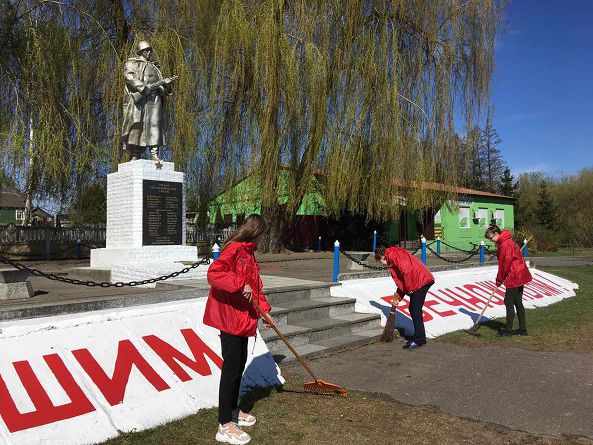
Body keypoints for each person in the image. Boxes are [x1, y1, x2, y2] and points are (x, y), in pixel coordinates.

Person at [203, 214, 274, 445]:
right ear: (255, 231)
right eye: (262, 234)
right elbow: (214, 274)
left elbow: (255, 288)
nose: (263, 239)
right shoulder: (234, 249)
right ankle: (225, 424)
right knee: (231, 369)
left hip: (243, 318)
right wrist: (238, 283)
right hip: (230, 318)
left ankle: (233, 411)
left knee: (238, 365)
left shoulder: (249, 254)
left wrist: (265, 311)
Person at [122, 40, 176, 161]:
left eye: (150, 50)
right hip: (140, 98)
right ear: (140, 51)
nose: (148, 53)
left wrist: (166, 85)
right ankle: (135, 154)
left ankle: (154, 153)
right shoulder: (132, 63)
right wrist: (142, 87)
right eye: (146, 50)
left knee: (155, 124)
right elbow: (129, 76)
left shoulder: (155, 67)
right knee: (137, 124)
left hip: (155, 98)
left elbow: (161, 85)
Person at [375, 245, 435, 350]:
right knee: (414, 309)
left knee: (414, 309)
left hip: (420, 281)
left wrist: (410, 289)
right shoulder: (392, 257)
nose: (383, 264)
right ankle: (420, 337)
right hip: (419, 280)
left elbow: (406, 271)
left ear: (382, 257)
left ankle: (419, 339)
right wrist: (398, 297)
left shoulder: (394, 255)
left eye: (381, 262)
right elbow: (402, 280)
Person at [485, 225, 532, 336]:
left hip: (514, 275)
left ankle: (508, 330)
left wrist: (499, 279)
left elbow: (505, 264)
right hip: (519, 273)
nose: (491, 241)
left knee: (508, 301)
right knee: (518, 301)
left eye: (491, 238)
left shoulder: (504, 244)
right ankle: (522, 329)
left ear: (496, 234)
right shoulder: (507, 241)